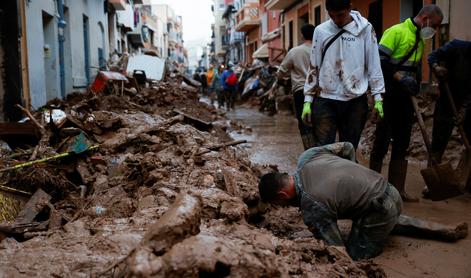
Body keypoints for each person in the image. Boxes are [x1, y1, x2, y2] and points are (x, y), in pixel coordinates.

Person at [258, 142, 468, 260]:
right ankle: (441, 229)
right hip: (388, 189)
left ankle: (375, 228)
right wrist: (352, 173)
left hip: (380, 210)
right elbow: (348, 146)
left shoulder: (312, 205)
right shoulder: (308, 156)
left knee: (356, 256)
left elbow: (337, 249)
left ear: (282, 196)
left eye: (279, 204)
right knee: (378, 215)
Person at [369, 5, 443, 201]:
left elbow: (413, 67)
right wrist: (400, 78)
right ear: (425, 18)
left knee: (402, 143)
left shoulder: (420, 38)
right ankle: (373, 190)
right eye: (434, 25)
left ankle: (397, 191)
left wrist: (415, 84)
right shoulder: (395, 31)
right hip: (389, 96)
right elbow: (380, 60)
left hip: (406, 98)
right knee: (381, 142)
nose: (434, 30)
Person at [302, 0, 385, 150]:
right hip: (325, 100)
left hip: (355, 100)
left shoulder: (365, 29)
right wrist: (307, 100)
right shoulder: (320, 31)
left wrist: (378, 98)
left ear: (349, 8)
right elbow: (314, 66)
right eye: (332, 16)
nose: (336, 20)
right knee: (325, 151)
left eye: (340, 15)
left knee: (349, 150)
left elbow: (374, 65)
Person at [427, 39, 471, 166]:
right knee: (439, 140)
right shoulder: (456, 46)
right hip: (447, 99)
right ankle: (432, 174)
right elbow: (432, 56)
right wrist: (436, 67)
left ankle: (465, 176)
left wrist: (464, 109)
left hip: (467, 103)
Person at [277, 24, 316, 150]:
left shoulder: (295, 51)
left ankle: (310, 152)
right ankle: (323, 152)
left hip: (301, 92)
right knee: (320, 122)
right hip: (320, 92)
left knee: (304, 122)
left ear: (302, 35)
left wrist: (289, 73)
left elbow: (281, 71)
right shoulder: (320, 50)